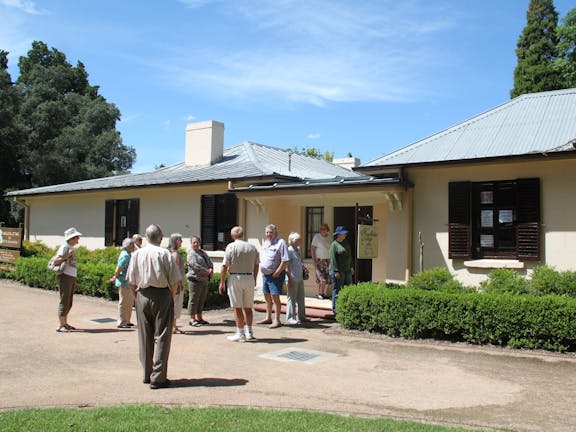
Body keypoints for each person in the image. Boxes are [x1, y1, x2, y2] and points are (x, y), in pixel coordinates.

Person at [127, 224, 182, 389]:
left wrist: (137, 297)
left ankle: (147, 373)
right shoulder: (165, 253)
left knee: (145, 336)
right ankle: (158, 377)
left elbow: (131, 281)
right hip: (162, 294)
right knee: (163, 336)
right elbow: (174, 281)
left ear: (145, 237)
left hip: (142, 294)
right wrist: (170, 297)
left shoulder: (137, 254)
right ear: (161, 237)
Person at [218, 226, 259, 342]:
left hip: (236, 277)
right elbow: (256, 265)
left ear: (233, 235)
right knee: (248, 307)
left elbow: (224, 266)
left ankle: (240, 333)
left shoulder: (231, 246)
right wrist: (254, 278)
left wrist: (222, 282)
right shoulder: (252, 247)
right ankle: (249, 331)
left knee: (237, 307)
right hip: (249, 277)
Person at [258, 224, 289, 328]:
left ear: (275, 233)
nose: (268, 234)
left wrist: (278, 272)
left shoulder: (281, 243)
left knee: (275, 297)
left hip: (275, 275)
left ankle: (277, 320)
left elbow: (285, 260)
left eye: (270, 232)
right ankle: (268, 318)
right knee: (267, 296)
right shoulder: (266, 243)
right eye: (267, 232)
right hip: (265, 275)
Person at [54, 227, 82, 333]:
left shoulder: (70, 247)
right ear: (71, 238)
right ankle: (61, 325)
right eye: (76, 237)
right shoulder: (65, 247)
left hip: (70, 276)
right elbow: (56, 261)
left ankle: (65, 323)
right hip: (65, 276)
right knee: (65, 300)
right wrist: (67, 255)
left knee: (69, 301)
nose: (78, 239)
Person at [187, 236, 214, 327]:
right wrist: (206, 271)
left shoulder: (202, 252)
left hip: (204, 280)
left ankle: (200, 318)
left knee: (201, 300)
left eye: (197, 242)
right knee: (194, 299)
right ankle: (192, 319)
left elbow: (210, 262)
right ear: (191, 243)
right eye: (194, 242)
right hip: (195, 280)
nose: (196, 244)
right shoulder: (191, 254)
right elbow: (195, 265)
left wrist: (210, 269)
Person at [111, 238, 136, 328]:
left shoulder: (128, 254)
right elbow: (119, 268)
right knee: (124, 302)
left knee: (129, 302)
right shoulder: (125, 255)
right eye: (132, 245)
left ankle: (127, 320)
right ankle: (121, 321)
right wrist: (115, 276)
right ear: (128, 246)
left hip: (128, 282)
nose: (134, 246)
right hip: (124, 282)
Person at [329, 226, 353, 316]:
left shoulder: (346, 243)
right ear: (339, 234)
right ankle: (336, 310)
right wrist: (335, 271)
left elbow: (349, 256)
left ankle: (346, 307)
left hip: (347, 270)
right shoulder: (334, 245)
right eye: (343, 233)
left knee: (349, 288)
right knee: (337, 290)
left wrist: (351, 266)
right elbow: (332, 259)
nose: (345, 235)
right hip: (338, 271)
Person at [286, 232, 307, 325]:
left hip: (299, 277)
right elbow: (286, 265)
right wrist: (289, 278)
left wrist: (303, 267)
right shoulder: (289, 250)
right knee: (292, 298)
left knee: (301, 297)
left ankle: (301, 316)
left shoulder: (298, 250)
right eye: (299, 240)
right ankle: (290, 317)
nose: (301, 241)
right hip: (292, 277)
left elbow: (299, 261)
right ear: (293, 241)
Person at [168, 233, 186, 334]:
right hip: (176, 284)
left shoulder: (171, 253)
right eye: (180, 240)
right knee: (175, 304)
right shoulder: (175, 254)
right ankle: (173, 327)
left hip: (174, 283)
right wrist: (182, 283)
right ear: (176, 241)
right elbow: (177, 271)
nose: (181, 242)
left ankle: (173, 326)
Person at [311, 223, 332, 300]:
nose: (322, 230)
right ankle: (318, 293)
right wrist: (314, 260)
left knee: (325, 278)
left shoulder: (329, 238)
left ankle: (322, 293)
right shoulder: (317, 237)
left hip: (327, 260)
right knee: (320, 278)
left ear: (327, 230)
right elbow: (313, 249)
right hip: (319, 260)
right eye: (321, 229)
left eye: (324, 229)